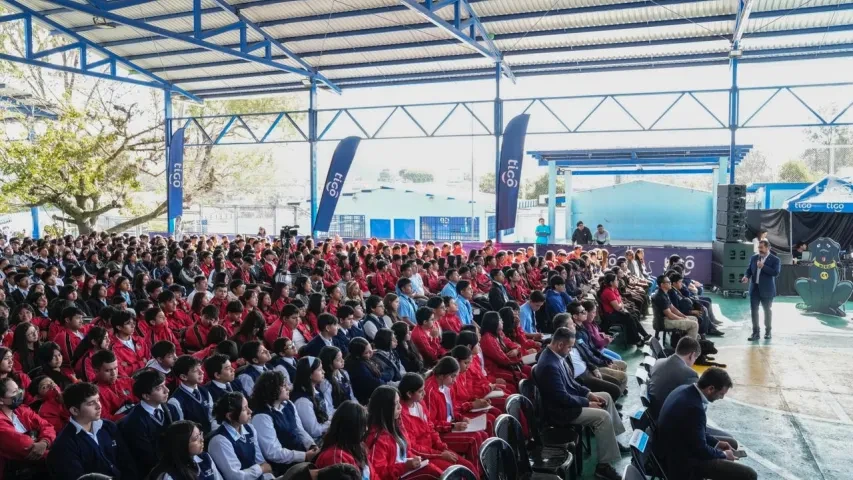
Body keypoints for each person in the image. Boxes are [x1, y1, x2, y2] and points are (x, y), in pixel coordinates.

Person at [532, 327, 626, 480]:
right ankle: (603, 467)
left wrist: (589, 394)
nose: (570, 351)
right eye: (569, 347)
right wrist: (586, 403)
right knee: (602, 417)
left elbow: (571, 383)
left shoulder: (555, 355)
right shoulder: (549, 364)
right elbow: (561, 397)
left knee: (606, 397)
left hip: (568, 401)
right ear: (560, 344)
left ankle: (612, 442)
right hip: (561, 411)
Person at [655, 368, 757, 480]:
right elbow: (700, 450)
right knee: (749, 475)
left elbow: (694, 432)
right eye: (721, 394)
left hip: (674, 447)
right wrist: (723, 455)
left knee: (730, 443)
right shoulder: (695, 408)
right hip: (682, 463)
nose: (722, 397)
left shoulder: (683, 389)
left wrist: (717, 444)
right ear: (711, 389)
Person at [647, 336, 738, 445]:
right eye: (695, 359)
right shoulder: (689, 374)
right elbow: (696, 407)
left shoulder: (659, 362)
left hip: (656, 416)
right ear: (692, 355)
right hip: (674, 425)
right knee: (730, 440)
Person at [47, 382, 139, 480]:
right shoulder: (64, 445)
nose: (99, 406)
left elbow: (127, 462)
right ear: (74, 410)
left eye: (98, 400)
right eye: (91, 403)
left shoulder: (108, 426)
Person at [398, 373, 480, 477]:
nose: (424, 393)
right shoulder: (402, 415)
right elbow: (413, 448)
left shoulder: (420, 403)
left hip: (434, 450)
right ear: (409, 394)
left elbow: (431, 428)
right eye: (420, 391)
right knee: (455, 474)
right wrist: (439, 454)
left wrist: (441, 447)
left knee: (469, 467)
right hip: (423, 458)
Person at [365, 385, 444, 479]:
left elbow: (406, 451)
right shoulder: (376, 438)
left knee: (439, 470)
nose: (400, 407)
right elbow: (379, 473)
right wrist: (404, 466)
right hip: (397, 475)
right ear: (385, 408)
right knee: (431, 473)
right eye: (396, 404)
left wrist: (414, 459)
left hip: (406, 469)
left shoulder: (396, 424)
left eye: (399, 402)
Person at [249, 371, 318, 475]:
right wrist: (304, 456)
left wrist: (311, 445)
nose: (288, 388)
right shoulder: (261, 416)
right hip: (284, 468)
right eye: (283, 386)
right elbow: (273, 452)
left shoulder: (288, 404)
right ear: (272, 389)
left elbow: (299, 430)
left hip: (302, 457)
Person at [118, 369, 180, 477]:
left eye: (164, 385)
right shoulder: (135, 422)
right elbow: (147, 458)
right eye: (159, 388)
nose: (166, 390)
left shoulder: (171, 408)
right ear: (146, 396)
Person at [208, 392, 274, 480]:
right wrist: (261, 469)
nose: (250, 411)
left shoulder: (250, 428)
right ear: (230, 416)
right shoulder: (219, 441)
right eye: (244, 409)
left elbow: (260, 461)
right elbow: (236, 477)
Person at [0, 376, 56, 478]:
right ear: (1, 400)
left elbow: (47, 426)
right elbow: (24, 446)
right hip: (15, 472)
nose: (19, 394)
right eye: (14, 392)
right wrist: (54, 454)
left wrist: (45, 442)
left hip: (40, 462)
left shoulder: (22, 410)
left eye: (19, 389)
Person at [148, 420, 223, 480]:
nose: (202, 439)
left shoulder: (205, 457)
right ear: (182, 444)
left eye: (200, 434)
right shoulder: (170, 475)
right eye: (196, 438)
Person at [313, 400, 371, 477]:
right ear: (352, 427)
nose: (366, 429)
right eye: (363, 425)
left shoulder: (358, 447)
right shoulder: (335, 458)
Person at [167, 355, 217, 435]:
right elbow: (181, 431)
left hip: (209, 435)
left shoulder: (204, 391)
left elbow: (212, 417)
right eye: (195, 371)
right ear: (183, 377)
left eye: (201, 368)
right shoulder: (175, 401)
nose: (202, 372)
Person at [742, 239, 781, 341]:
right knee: (754, 311)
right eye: (759, 248)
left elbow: (776, 273)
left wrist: (763, 266)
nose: (760, 250)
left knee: (767, 311)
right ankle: (755, 333)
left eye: (762, 248)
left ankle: (768, 332)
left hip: (767, 290)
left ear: (768, 248)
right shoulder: (754, 257)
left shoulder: (775, 260)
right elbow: (749, 270)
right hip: (754, 289)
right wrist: (746, 276)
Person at [291, 356, 331, 443]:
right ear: (309, 374)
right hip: (317, 442)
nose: (323, 372)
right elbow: (314, 431)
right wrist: (332, 423)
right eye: (320, 370)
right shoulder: (302, 401)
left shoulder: (316, 390)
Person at [651, 275, 700, 339]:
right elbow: (669, 315)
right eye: (668, 282)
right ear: (662, 284)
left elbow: (673, 308)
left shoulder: (665, 293)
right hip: (663, 322)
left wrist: (683, 316)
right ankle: (688, 346)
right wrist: (681, 318)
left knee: (694, 319)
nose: (670, 283)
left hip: (667, 318)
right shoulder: (660, 297)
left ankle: (692, 339)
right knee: (694, 325)